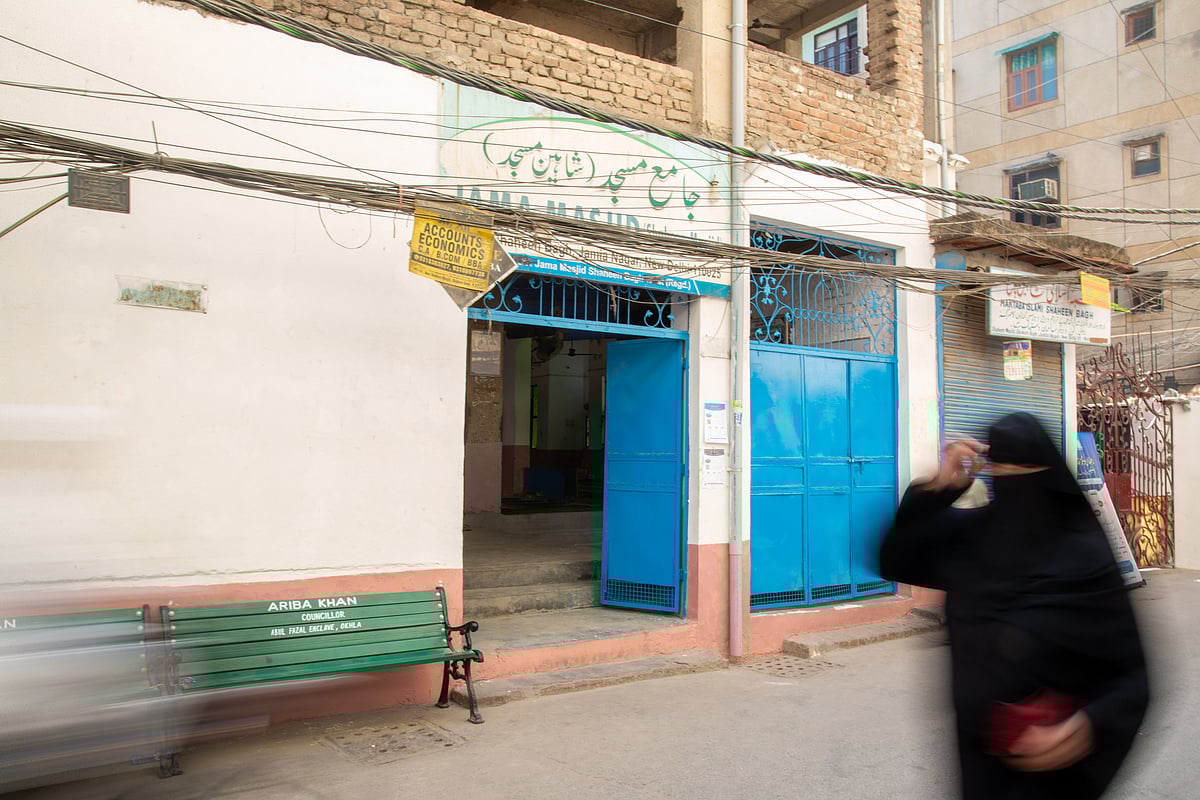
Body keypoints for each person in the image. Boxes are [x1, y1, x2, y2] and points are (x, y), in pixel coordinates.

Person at [879, 412, 1149, 800]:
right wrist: (940, 488)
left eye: (1022, 473)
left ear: (1047, 475)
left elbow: (1132, 677)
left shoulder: (1085, 557)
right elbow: (896, 559)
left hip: (1058, 775)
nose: (1012, 487)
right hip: (980, 765)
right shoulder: (973, 538)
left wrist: (1088, 724)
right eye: (1000, 473)